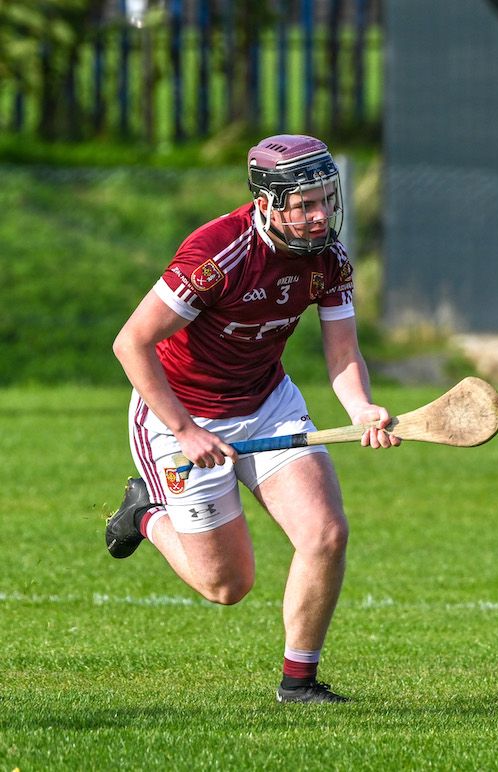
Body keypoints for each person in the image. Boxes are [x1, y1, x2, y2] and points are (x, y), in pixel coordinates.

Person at [105, 134, 400, 704]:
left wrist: (362, 407)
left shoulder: (330, 260)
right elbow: (131, 344)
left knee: (325, 533)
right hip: (180, 413)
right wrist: (188, 431)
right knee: (227, 585)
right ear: (267, 201)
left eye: (326, 200)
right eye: (305, 203)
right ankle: (145, 514)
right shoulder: (218, 256)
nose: (320, 216)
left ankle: (300, 683)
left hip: (268, 402)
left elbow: (342, 353)